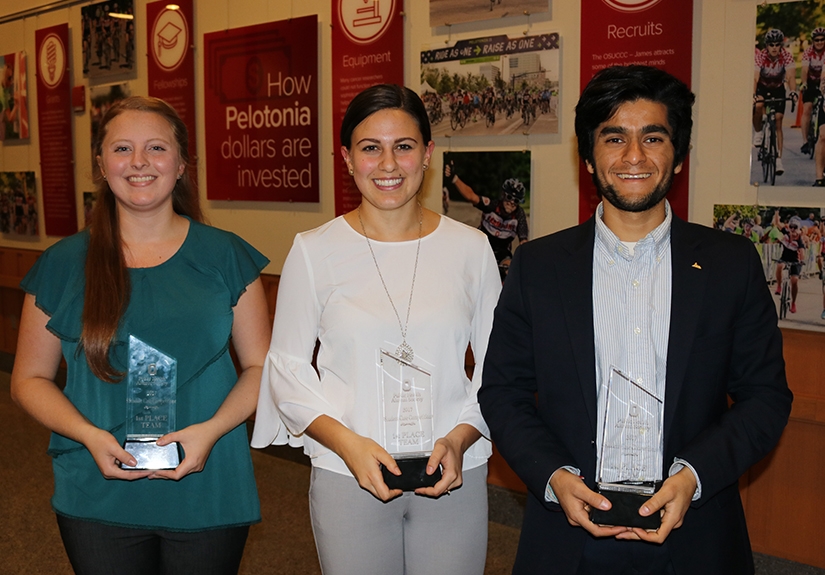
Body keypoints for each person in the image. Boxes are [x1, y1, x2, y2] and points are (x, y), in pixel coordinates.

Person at [478, 65, 792, 575]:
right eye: (614, 138)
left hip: (696, 531)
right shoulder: (537, 267)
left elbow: (766, 398)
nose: (633, 157)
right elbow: (503, 392)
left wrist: (694, 475)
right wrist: (555, 477)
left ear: (679, 155)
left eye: (653, 137)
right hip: (568, 533)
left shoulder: (730, 264)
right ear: (587, 156)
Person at [10, 96, 270, 575]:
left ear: (181, 163)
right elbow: (28, 378)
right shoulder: (63, 264)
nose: (139, 163)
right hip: (96, 483)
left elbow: (261, 368)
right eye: (122, 149)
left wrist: (210, 432)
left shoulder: (226, 257)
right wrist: (87, 435)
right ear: (101, 164)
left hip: (208, 478)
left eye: (156, 147)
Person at [251, 84, 501, 575]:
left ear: (427, 154)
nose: (388, 164)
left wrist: (459, 439)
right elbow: (287, 369)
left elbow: (499, 368)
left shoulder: (471, 248)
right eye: (371, 148)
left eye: (403, 146)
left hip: (451, 470)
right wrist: (349, 445)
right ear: (346, 158)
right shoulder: (313, 249)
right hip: (348, 470)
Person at [444, 162, 529, 278]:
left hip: (503, 253)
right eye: (509, 197)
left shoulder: (519, 215)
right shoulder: (492, 205)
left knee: (509, 271)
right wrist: (454, 178)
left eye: (516, 200)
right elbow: (471, 196)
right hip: (483, 246)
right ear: (503, 195)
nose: (511, 203)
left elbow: (524, 243)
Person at [753, 28, 796, 176]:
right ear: (767, 46)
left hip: (778, 88)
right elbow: (755, 77)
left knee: (778, 121)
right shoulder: (761, 57)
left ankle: (778, 160)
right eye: (771, 45)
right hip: (762, 87)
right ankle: (758, 132)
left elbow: (790, 76)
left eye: (777, 45)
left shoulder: (787, 56)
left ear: (781, 46)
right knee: (758, 105)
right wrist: (753, 93)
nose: (774, 48)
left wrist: (792, 92)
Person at [775, 215, 807, 314]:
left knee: (794, 280)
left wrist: (801, 260)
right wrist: (776, 211)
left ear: (798, 229)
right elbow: (777, 223)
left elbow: (802, 253)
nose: (792, 229)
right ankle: (779, 286)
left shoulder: (800, 240)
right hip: (785, 257)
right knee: (779, 266)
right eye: (791, 227)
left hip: (795, 261)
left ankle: (793, 302)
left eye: (795, 227)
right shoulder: (786, 232)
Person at [800, 28, 825, 155]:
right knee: (807, 108)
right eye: (817, 40)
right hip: (810, 81)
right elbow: (804, 70)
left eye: (822, 39)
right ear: (813, 41)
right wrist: (804, 83)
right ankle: (805, 141)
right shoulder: (808, 52)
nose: (820, 42)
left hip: (824, 81)